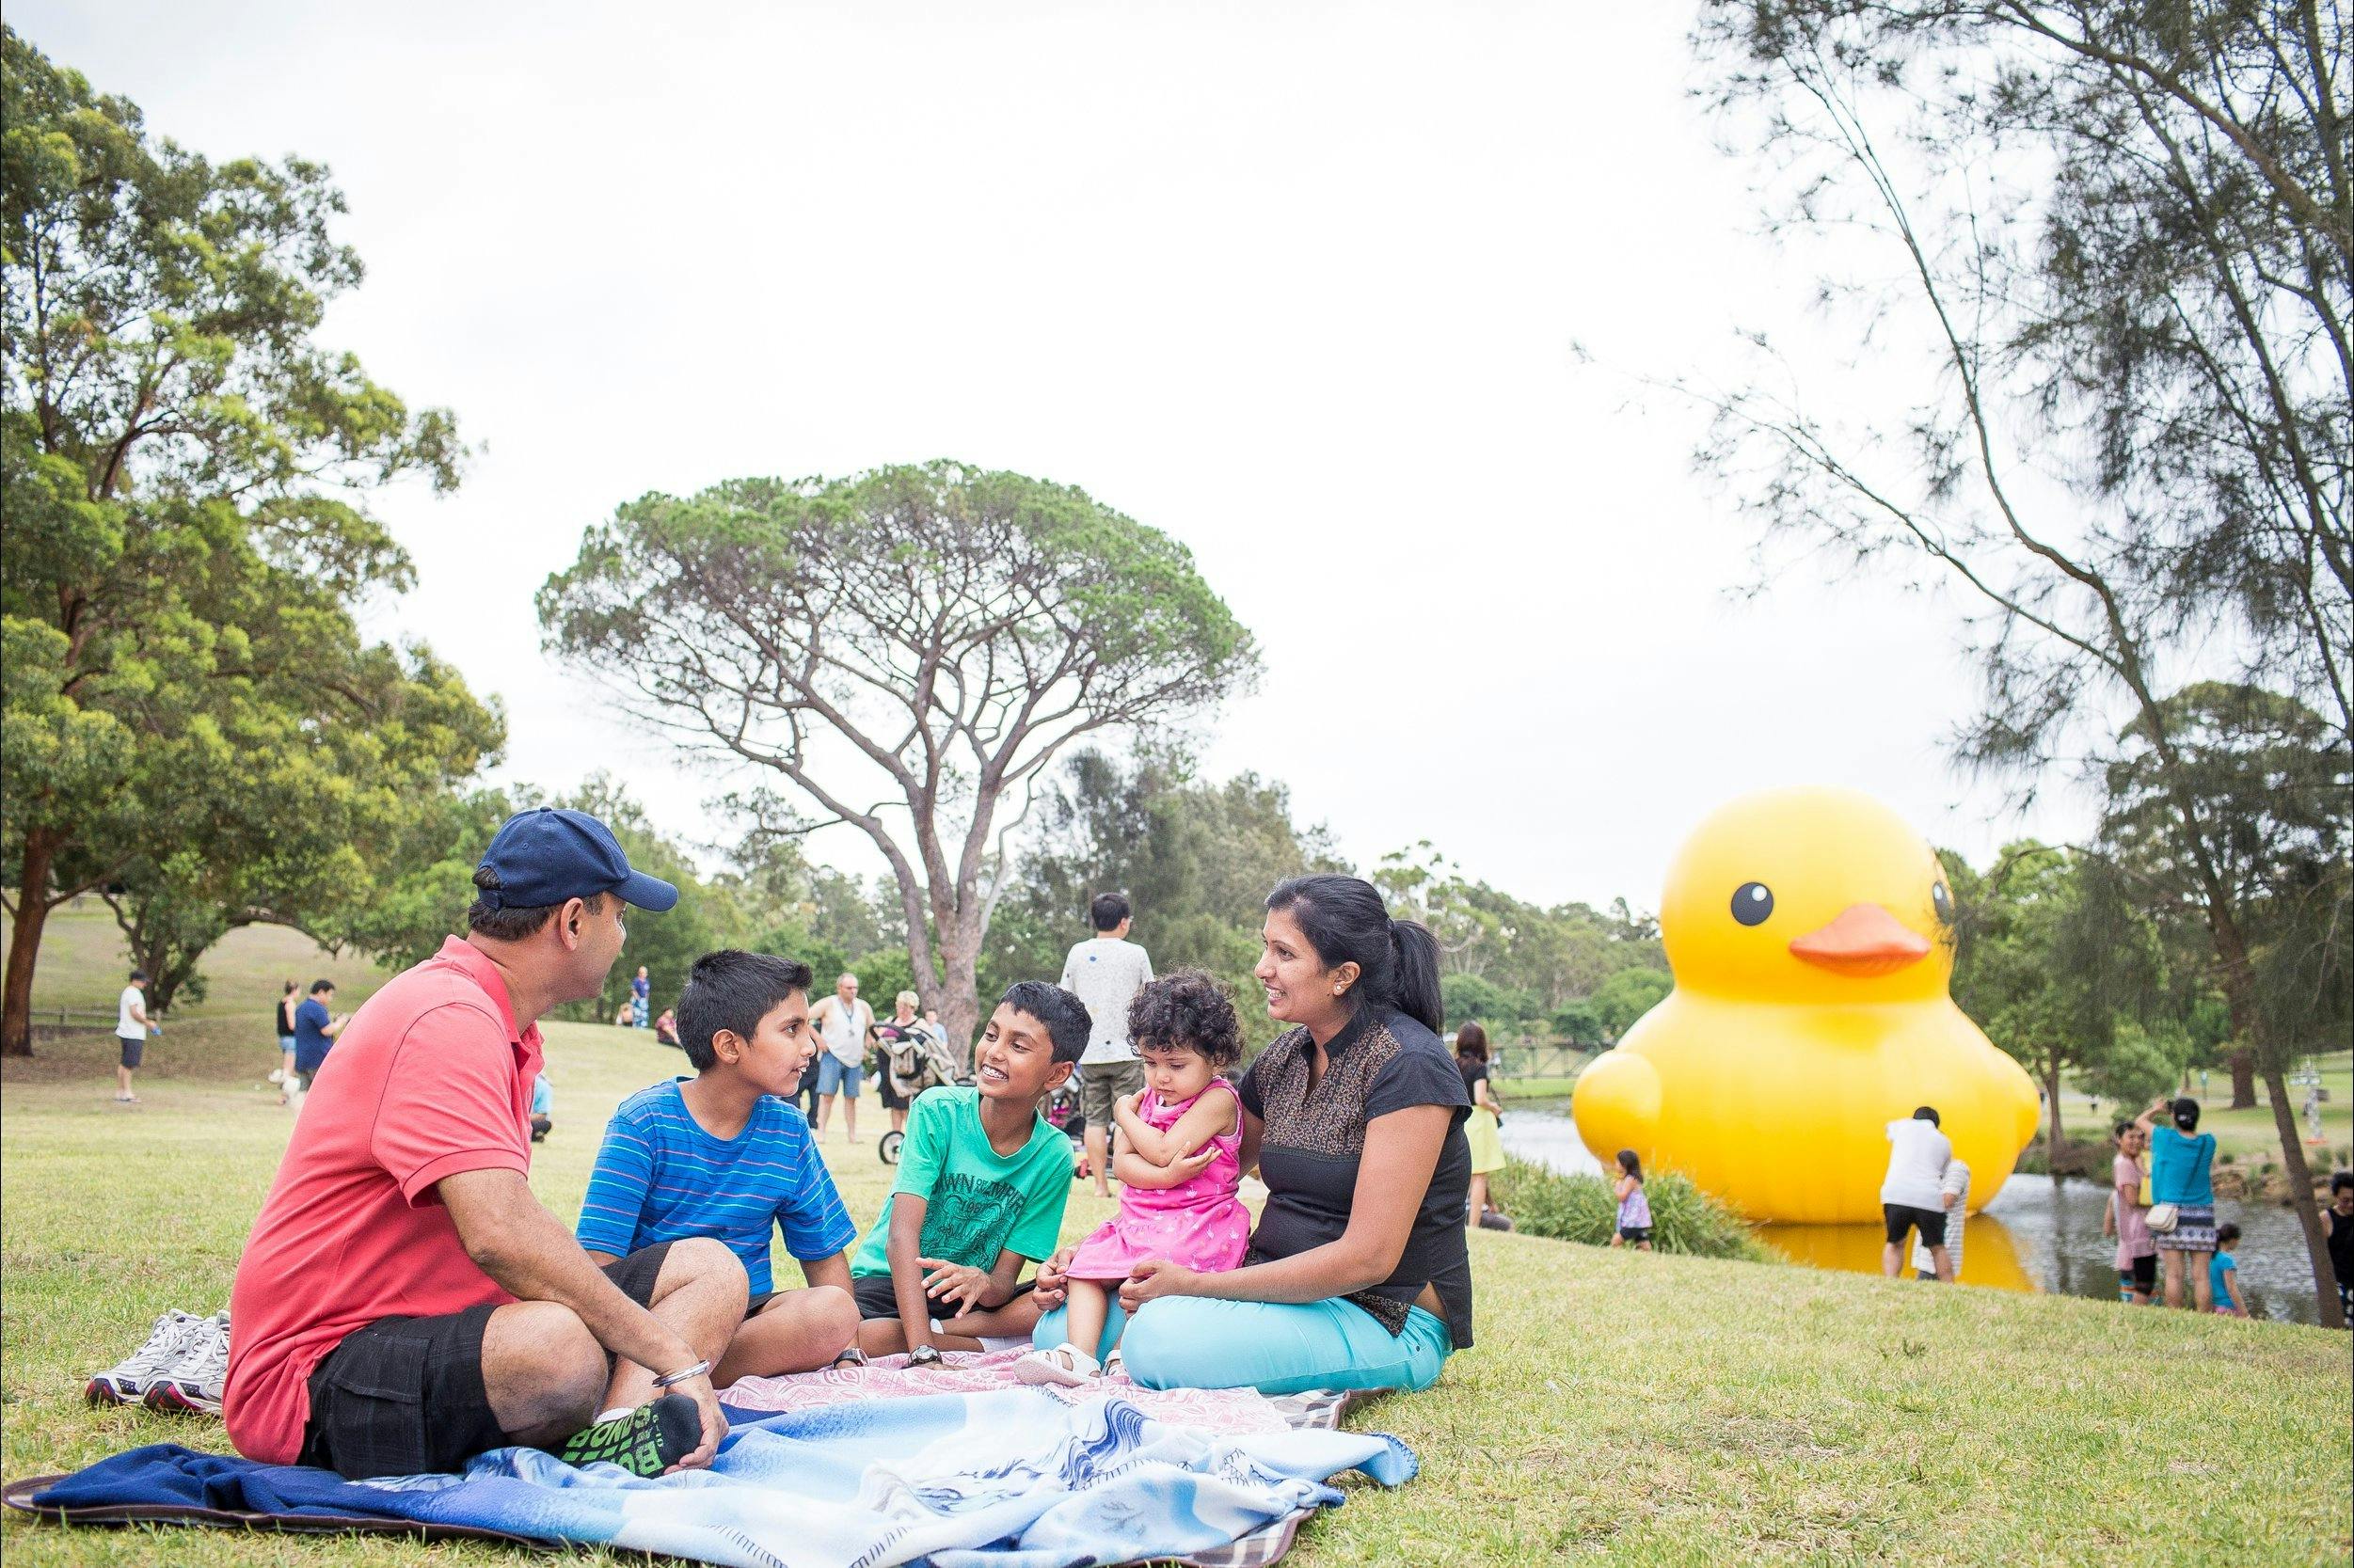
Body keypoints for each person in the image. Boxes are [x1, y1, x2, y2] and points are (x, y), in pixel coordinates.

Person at [224, 806, 745, 1481]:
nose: (622, 935)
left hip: (451, 1319)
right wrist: (669, 1353)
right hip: (313, 1368)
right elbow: (499, 1231)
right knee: (559, 1349)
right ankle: (608, 1407)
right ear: (573, 921)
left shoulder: (502, 1024)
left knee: (712, 1269)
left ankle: (612, 1435)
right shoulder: (447, 1016)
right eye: (619, 915)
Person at [1035, 874, 1471, 1396]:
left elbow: (1368, 1258)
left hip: (1383, 1316)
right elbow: (1201, 1179)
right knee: (1060, 1328)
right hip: (1276, 1291)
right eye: (1266, 947)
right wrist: (1104, 1252)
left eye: (1283, 953)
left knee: (1155, 1339)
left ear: (1343, 975)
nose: (1261, 968)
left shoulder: (1410, 1066)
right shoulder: (1285, 1059)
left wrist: (1198, 1287)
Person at [577, 951, 861, 1384]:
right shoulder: (644, 1122)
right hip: (654, 1316)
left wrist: (848, 1351)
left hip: (745, 1318)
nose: (810, 1046)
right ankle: (649, 1383)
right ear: (729, 1046)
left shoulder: (788, 1129)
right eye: (792, 1029)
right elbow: (598, 1264)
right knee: (707, 1271)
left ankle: (681, 1372)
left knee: (834, 1312)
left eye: (809, 1028)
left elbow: (823, 1255)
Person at [1018, 971, 1249, 1384]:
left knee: (1152, 1276)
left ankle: (1127, 1355)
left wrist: (1124, 1115)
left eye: (1176, 1065)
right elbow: (1122, 1164)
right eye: (1150, 1063)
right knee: (1085, 1268)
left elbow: (1162, 1150)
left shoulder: (1216, 1099)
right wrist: (1162, 1175)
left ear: (1215, 1058)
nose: (1160, 1077)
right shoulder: (1155, 1100)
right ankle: (1080, 1355)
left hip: (1196, 1222)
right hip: (1141, 1218)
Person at [850, 982, 1086, 1362]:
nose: (994, 1051)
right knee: (835, 1317)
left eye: (1018, 1045)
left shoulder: (1053, 1153)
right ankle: (942, 1339)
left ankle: (927, 1335)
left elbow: (1003, 1282)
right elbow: (901, 1236)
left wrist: (983, 1281)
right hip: (892, 1282)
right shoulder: (937, 1110)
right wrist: (922, 1350)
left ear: (1057, 1074)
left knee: (1070, 1292)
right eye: (992, 1035)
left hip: (964, 1300)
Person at [1060, 894, 1156, 1201]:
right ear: (1124, 922)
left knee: (1095, 1119)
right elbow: (1151, 997)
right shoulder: (1136, 953)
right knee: (1127, 1118)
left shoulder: (1078, 952)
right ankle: (1126, 1184)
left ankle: (1100, 1186)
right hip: (1127, 1050)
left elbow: (1066, 999)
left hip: (1088, 1052)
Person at [2139, 1095, 2218, 1310]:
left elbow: (2140, 1121)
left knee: (2174, 1274)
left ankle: (2176, 1315)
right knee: (2201, 1276)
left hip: (2170, 1214)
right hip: (2202, 1213)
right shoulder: (2208, 1142)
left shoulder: (2164, 1137)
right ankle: (2204, 1316)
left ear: (2173, 1118)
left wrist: (2156, 1109)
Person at [1879, 1106, 1953, 1281]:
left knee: (1894, 1243)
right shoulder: (1943, 1140)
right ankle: (1949, 1286)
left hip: (1896, 1194)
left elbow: (1888, 1130)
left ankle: (1890, 1282)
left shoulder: (1901, 1126)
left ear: (1914, 1119)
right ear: (1936, 1124)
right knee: (1937, 1247)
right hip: (1929, 1197)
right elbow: (1943, 1171)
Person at [808, 973, 874, 1146]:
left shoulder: (863, 1006)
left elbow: (874, 1029)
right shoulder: (828, 1003)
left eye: (855, 988)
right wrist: (818, 1039)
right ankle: (821, 1132)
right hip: (832, 1055)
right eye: (849, 988)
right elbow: (805, 1019)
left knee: (851, 1098)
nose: (853, 991)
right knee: (827, 1096)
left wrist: (867, 1045)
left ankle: (852, 1135)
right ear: (840, 988)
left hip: (855, 1059)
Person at [1454, 1023, 1508, 1229]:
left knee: (1461, 1173)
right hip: (1478, 1120)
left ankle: (1457, 1220)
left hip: (1459, 1118)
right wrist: (1494, 1108)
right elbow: (1480, 1098)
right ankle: (1474, 1224)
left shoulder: (1453, 1064)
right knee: (1479, 1176)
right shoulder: (1479, 1068)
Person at [2103, 1120, 2156, 1305]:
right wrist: (2157, 1202)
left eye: (2139, 1137)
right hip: (2138, 1231)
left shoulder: (2131, 1162)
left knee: (2144, 1282)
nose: (2136, 1141)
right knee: (2143, 1284)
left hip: (2138, 1231)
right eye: (2130, 1137)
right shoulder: (2124, 1164)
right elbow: (2132, 1199)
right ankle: (2137, 1320)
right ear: (2119, 1139)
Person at [288, 980, 347, 1106]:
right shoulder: (317, 1008)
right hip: (318, 1058)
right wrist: (340, 1023)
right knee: (322, 1094)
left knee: (303, 1092)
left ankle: (300, 1120)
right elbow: (326, 1030)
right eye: (329, 995)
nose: (330, 999)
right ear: (321, 992)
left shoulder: (301, 1008)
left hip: (302, 1058)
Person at [1912, 1157, 1968, 1281]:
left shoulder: (1956, 1169)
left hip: (1943, 1249)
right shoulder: (1930, 1171)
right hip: (1926, 1253)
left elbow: (1947, 1201)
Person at [114, 969, 151, 1104]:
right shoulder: (134, 993)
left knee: (124, 1063)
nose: (144, 984)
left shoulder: (127, 992)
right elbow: (134, 1013)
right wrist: (149, 1023)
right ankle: (127, 1093)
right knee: (129, 1065)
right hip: (133, 1033)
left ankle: (120, 1092)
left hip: (126, 1031)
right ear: (135, 980)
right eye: (142, 981)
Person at [1608, 1149, 1654, 1250]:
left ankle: (1615, 1259)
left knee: (1616, 1240)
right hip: (1639, 1220)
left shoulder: (1630, 1179)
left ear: (1625, 1163)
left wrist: (1617, 1186)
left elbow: (1622, 1197)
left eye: (1617, 1162)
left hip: (1634, 1220)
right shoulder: (1632, 1178)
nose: (1616, 1164)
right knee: (1643, 1244)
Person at [2325, 1172, 2354, 1325]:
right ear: (2336, 1197)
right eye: (2345, 1200)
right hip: (2341, 1285)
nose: (2351, 1205)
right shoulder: (2327, 1218)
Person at [2209, 1222, 2248, 1318]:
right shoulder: (2227, 1260)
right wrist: (2244, 1312)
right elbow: (2231, 1288)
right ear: (2232, 1240)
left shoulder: (2211, 1257)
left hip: (2213, 1305)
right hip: (2227, 1307)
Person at [272, 980, 298, 1098]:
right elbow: (292, 1024)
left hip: (283, 1038)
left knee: (287, 1068)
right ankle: (283, 1096)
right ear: (294, 990)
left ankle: (285, 1095)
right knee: (288, 1069)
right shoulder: (290, 1003)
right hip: (291, 1039)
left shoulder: (281, 1003)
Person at [530, 1074, 554, 1142]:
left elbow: (542, 1115)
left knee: (546, 1124)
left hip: (530, 1121)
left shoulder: (543, 1087)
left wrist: (522, 1120)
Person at [631, 965, 652, 1029]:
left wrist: (646, 1000)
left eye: (644, 973)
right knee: (637, 1014)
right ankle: (636, 1027)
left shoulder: (647, 982)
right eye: (641, 972)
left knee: (644, 1015)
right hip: (637, 1000)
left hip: (644, 1001)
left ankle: (643, 1027)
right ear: (639, 973)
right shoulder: (636, 980)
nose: (643, 974)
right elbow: (633, 991)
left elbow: (647, 992)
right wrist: (638, 999)